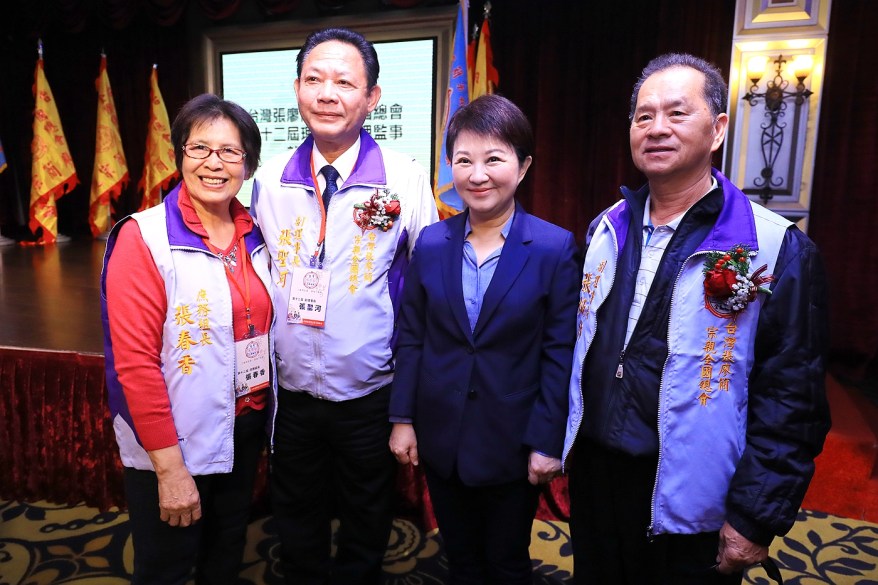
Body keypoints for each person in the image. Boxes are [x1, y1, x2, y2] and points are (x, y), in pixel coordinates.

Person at [563, 53, 831, 585]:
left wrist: (754, 517)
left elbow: (792, 399)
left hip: (693, 496)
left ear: (718, 129)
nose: (656, 128)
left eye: (677, 113)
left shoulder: (774, 247)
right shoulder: (605, 228)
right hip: (597, 477)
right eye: (643, 116)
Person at [249, 27, 438, 585]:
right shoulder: (268, 180)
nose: (327, 94)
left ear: (372, 97)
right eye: (314, 79)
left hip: (369, 387)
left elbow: (426, 282)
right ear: (296, 89)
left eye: (344, 82)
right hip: (291, 387)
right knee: (295, 506)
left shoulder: (403, 177)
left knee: (366, 506)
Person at [388, 94, 580, 584]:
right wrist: (403, 419)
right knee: (461, 559)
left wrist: (546, 440)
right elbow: (412, 337)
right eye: (463, 160)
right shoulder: (433, 243)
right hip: (442, 435)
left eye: (493, 159)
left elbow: (559, 352)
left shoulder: (553, 247)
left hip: (512, 439)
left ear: (523, 165)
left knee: (507, 561)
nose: (477, 175)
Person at [101, 93, 273, 585]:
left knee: (225, 553)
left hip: (243, 424)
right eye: (199, 148)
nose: (214, 163)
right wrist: (170, 469)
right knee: (167, 568)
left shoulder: (256, 231)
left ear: (248, 164)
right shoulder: (143, 237)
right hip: (174, 438)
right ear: (180, 154)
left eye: (230, 152)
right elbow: (134, 365)